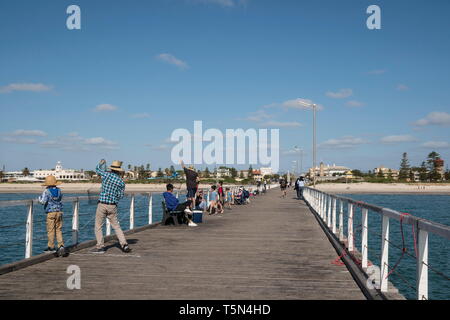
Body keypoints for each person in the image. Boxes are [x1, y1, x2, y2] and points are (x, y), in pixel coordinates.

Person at [93, 159, 131, 254]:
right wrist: (114, 196)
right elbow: (120, 195)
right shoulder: (121, 182)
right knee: (116, 226)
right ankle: (124, 245)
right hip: (112, 205)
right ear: (119, 170)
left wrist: (101, 163)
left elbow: (97, 170)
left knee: (98, 226)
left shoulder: (107, 175)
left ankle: (100, 246)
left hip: (102, 203)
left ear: (112, 169)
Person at [38, 175, 67, 257]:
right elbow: (61, 198)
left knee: (51, 230)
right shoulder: (59, 190)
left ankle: (51, 247)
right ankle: (61, 246)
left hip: (51, 213)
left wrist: (39, 198)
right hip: (59, 212)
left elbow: (43, 201)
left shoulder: (46, 191)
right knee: (58, 229)